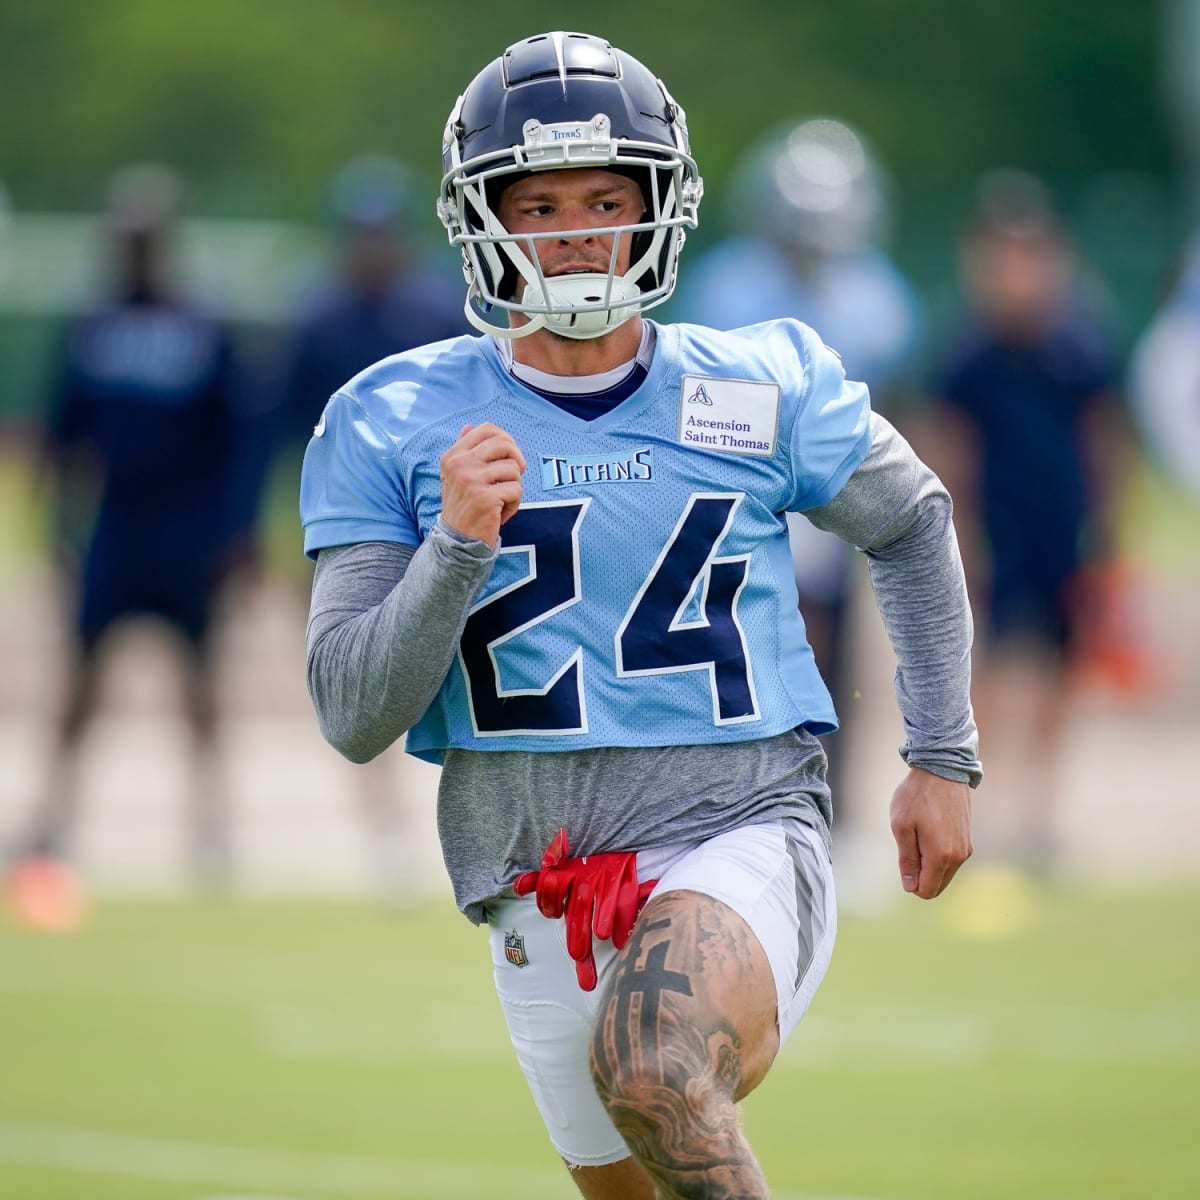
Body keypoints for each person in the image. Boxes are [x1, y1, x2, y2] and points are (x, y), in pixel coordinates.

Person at [301, 31, 979, 1199]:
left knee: (655, 1070)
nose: (575, 230)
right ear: (484, 221)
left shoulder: (757, 383)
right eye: (542, 201)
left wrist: (942, 754)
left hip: (739, 816)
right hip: (529, 864)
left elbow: (912, 520)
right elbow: (354, 712)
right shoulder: (392, 414)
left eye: (608, 196)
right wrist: (456, 545)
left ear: (659, 205)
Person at [4, 162, 257, 915]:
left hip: (187, 536)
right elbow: (61, 430)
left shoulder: (203, 324)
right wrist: (54, 525)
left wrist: (235, 538)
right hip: (115, 531)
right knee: (78, 686)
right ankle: (51, 818)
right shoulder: (91, 324)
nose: (134, 250)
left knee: (201, 690)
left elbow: (235, 440)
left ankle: (211, 824)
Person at [672, 117, 923, 809]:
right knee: (733, 646)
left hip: (832, 487)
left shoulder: (876, 294)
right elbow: (699, 404)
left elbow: (889, 403)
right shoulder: (729, 286)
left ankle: (831, 807)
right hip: (738, 486)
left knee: (835, 652)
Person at [924, 169, 1128, 874]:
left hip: (1063, 528)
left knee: (1060, 667)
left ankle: (1041, 810)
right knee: (987, 666)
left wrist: (1108, 534)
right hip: (995, 528)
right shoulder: (969, 351)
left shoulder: (1080, 340)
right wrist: (953, 537)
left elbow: (1105, 439)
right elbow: (949, 446)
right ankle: (984, 802)